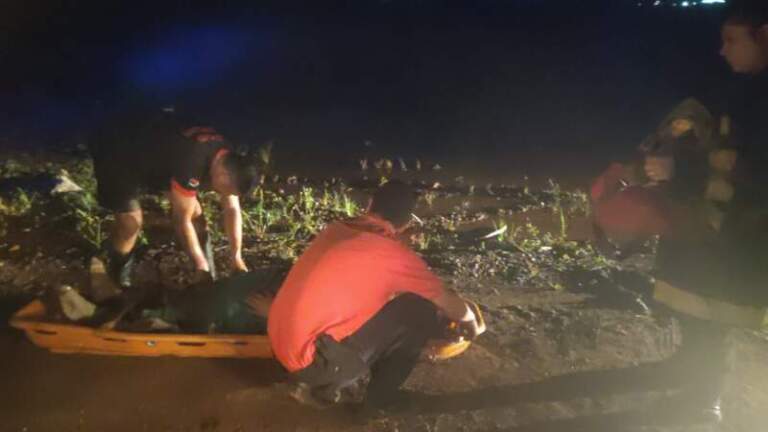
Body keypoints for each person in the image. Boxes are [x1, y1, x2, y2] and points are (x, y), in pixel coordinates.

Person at [594, 1, 767, 425]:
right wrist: (670, 166)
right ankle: (687, 365)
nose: (723, 51)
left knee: (715, 312)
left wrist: (681, 170)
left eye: (732, 40)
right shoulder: (747, 88)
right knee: (691, 301)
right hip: (710, 225)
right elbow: (720, 148)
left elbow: (753, 169)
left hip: (743, 234)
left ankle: (705, 399)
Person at [267, 180, 486, 410]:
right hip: (312, 363)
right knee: (419, 310)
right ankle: (378, 397)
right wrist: (470, 321)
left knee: (395, 307)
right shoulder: (395, 255)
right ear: (408, 223)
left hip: (279, 346)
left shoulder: (337, 229)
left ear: (370, 204)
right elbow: (454, 307)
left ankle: (325, 378)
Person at [90, 107, 258, 287]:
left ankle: (210, 279)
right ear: (223, 176)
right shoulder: (192, 160)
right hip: (121, 153)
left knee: (196, 215)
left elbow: (232, 209)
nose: (226, 195)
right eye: (228, 191)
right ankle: (116, 275)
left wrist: (237, 257)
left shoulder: (229, 158)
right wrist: (200, 266)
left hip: (161, 159)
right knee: (131, 224)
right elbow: (180, 220)